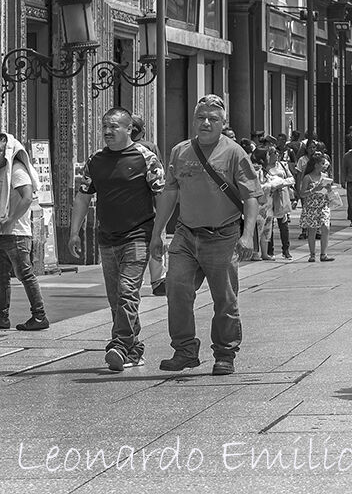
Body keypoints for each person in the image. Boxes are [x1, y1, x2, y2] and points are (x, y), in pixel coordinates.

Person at [151, 95, 261, 375]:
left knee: (224, 298)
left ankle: (225, 353)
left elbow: (251, 196)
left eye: (213, 118)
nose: (206, 123)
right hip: (186, 235)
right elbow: (170, 192)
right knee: (176, 290)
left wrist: (247, 235)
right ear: (194, 120)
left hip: (222, 236)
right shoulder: (180, 151)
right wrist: (157, 234)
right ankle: (185, 350)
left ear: (223, 123)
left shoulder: (235, 152)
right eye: (201, 117)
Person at [69, 107, 164, 370]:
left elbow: (162, 196)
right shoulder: (96, 159)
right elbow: (83, 195)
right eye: (105, 127)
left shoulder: (146, 158)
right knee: (116, 298)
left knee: (127, 292)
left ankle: (119, 344)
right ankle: (134, 350)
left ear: (128, 129)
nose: (108, 132)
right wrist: (74, 232)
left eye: (114, 127)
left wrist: (160, 235)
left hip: (138, 235)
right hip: (107, 238)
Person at [0, 133, 46, 331]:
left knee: (24, 274)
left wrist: (10, 220)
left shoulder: (16, 170)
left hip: (16, 232)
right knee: (1, 276)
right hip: (3, 232)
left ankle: (39, 316)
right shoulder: (3, 171)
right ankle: (2, 317)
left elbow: (27, 198)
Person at [129, 114, 166, 296]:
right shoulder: (149, 147)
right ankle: (158, 280)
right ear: (142, 131)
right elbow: (159, 176)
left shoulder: (115, 148)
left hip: (130, 207)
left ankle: (133, 282)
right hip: (151, 205)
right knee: (156, 242)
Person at [299, 151, 334, 262]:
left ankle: (323, 253)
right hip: (311, 206)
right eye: (322, 163)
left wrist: (329, 190)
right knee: (312, 230)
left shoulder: (325, 177)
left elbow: (328, 191)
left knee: (325, 227)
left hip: (323, 204)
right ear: (316, 165)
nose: (324, 166)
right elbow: (302, 193)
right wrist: (313, 190)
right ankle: (312, 254)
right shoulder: (308, 178)